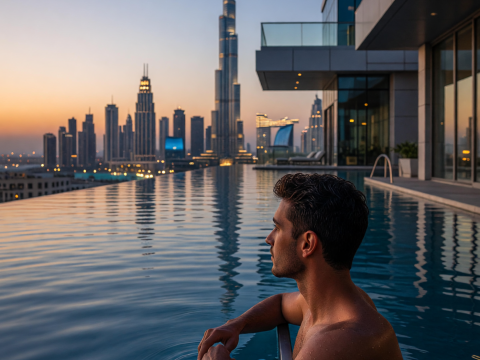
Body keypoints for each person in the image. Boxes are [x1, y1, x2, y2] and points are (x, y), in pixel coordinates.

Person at [198, 173, 403, 360]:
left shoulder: (339, 342)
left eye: (278, 228)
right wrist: (237, 324)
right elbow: (280, 304)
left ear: (307, 244)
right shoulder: (324, 304)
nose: (269, 239)